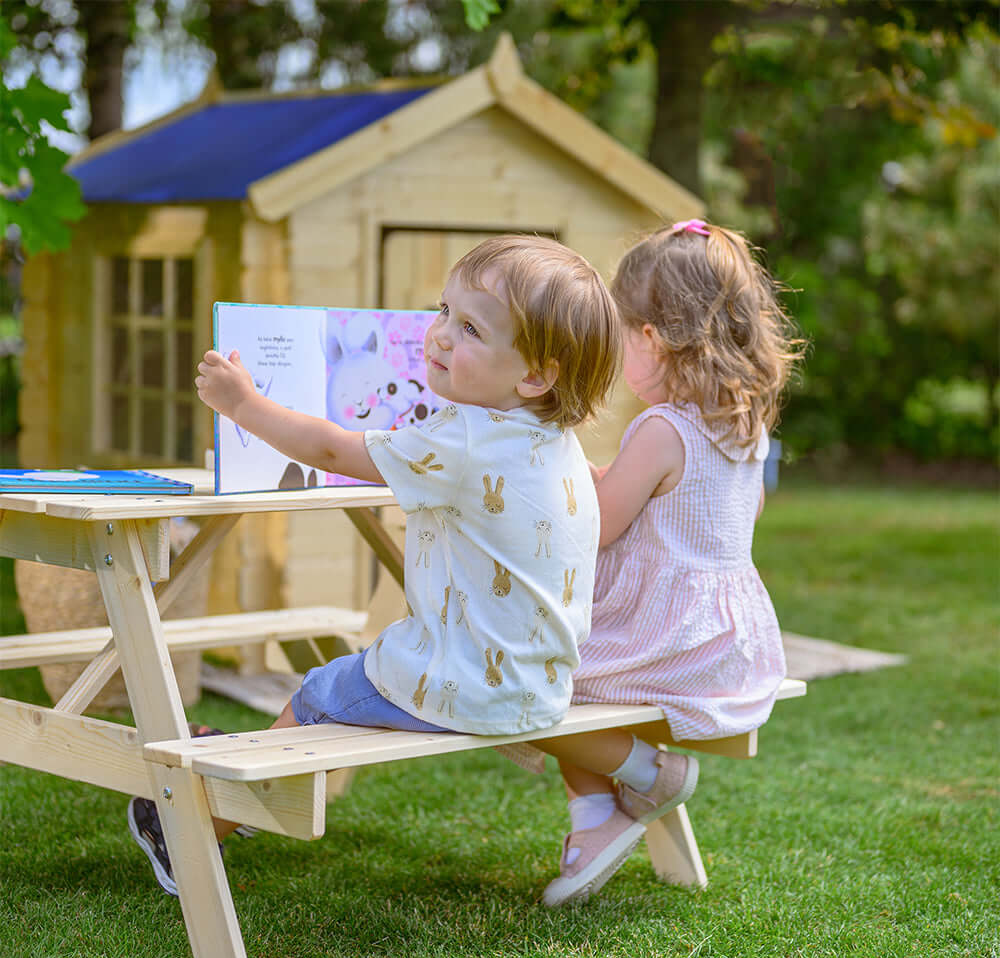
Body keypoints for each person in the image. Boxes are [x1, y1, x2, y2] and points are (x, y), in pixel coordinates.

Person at [126, 234, 622, 896]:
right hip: (538, 688)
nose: (440, 336)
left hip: (460, 685)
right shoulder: (555, 443)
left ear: (534, 375)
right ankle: (642, 771)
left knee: (313, 695)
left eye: (469, 327)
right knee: (350, 671)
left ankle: (198, 830)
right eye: (441, 310)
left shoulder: (464, 437)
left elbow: (331, 451)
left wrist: (243, 405)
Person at [532, 219, 804, 906]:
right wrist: (616, 475)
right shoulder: (745, 425)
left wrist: (562, 487)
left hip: (664, 640)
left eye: (621, 335)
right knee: (552, 672)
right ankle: (599, 817)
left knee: (530, 682)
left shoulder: (660, 429)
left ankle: (638, 780)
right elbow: (726, 514)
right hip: (723, 645)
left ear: (651, 338)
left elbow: (600, 528)